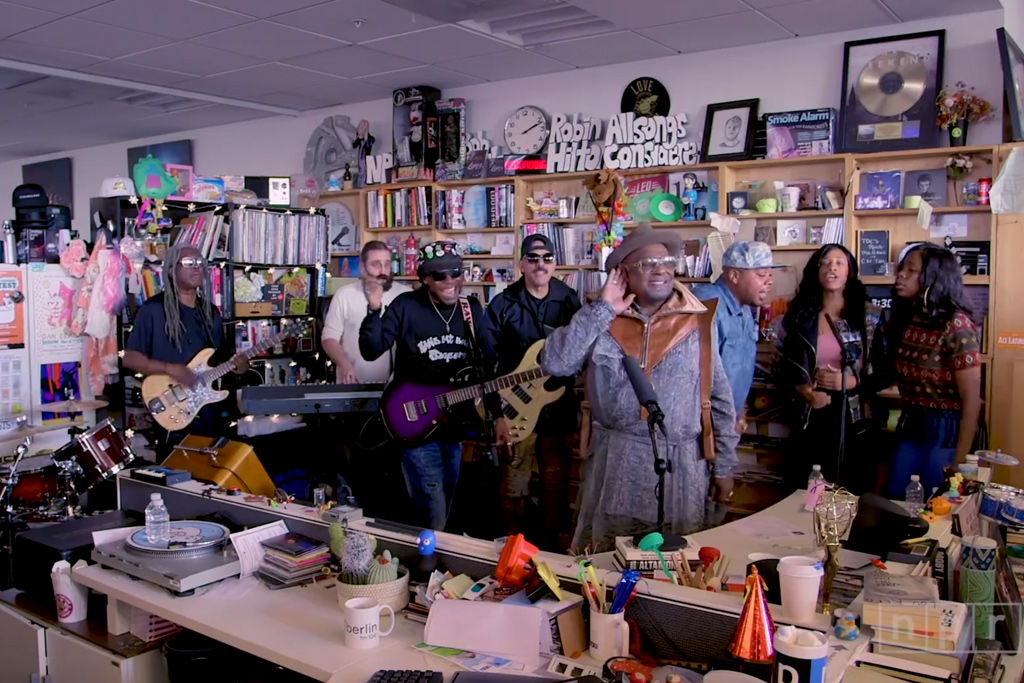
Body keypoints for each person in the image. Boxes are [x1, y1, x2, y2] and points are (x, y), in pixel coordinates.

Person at [541, 224, 739, 550]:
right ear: (623, 274)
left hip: (683, 466)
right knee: (608, 566)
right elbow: (555, 363)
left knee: (677, 567)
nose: (661, 270)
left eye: (667, 262)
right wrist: (603, 309)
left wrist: (724, 466)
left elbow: (719, 398)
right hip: (616, 463)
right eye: (648, 264)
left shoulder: (698, 321)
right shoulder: (599, 320)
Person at [359, 241, 498, 531]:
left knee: (443, 504)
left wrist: (498, 416)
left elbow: (487, 366)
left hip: (454, 425)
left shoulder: (471, 309)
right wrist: (373, 310)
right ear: (424, 278)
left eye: (456, 273)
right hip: (414, 421)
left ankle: (431, 562)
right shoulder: (406, 306)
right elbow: (371, 350)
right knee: (433, 508)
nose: (450, 281)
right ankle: (430, 566)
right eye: (440, 275)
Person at [480, 234, 581, 548]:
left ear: (555, 263)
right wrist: (496, 416)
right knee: (514, 484)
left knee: (555, 482)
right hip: (514, 409)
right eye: (533, 258)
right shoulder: (503, 304)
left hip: (558, 407)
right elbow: (486, 364)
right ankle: (512, 550)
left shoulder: (569, 299)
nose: (541, 263)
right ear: (521, 264)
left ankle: (550, 550)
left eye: (547, 257)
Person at [776, 245, 883, 491]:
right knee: (809, 496)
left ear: (850, 272)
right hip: (811, 416)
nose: (831, 267)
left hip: (855, 419)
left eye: (839, 262)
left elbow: (886, 371)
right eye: (825, 262)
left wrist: (853, 382)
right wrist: (803, 390)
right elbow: (784, 370)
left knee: (850, 493)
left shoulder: (870, 316)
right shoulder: (799, 317)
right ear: (816, 271)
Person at [123, 243, 248, 444]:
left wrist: (239, 367)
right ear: (172, 270)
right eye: (189, 263)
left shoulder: (210, 312)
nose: (197, 267)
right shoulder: (153, 310)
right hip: (173, 409)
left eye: (200, 262)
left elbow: (222, 361)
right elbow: (130, 359)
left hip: (211, 412)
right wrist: (169, 368)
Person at [885, 244, 982, 497]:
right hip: (911, 427)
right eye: (901, 269)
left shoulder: (956, 324)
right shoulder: (908, 318)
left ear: (933, 278)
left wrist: (960, 461)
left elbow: (972, 400)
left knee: (933, 510)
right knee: (898, 501)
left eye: (911, 270)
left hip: (945, 434)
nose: (901, 275)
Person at [693, 242, 779, 434]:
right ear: (734, 276)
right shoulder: (707, 304)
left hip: (727, 420)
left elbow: (739, 367)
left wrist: (739, 411)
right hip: (704, 427)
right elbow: (697, 375)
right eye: (761, 275)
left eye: (770, 275)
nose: (769, 281)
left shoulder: (744, 307)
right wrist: (720, 422)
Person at [322, 241, 410, 384]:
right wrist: (344, 365)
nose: (383, 271)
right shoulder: (345, 294)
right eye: (376, 264)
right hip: (354, 384)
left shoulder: (405, 296)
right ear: (362, 268)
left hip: (397, 389)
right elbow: (329, 338)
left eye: (387, 264)